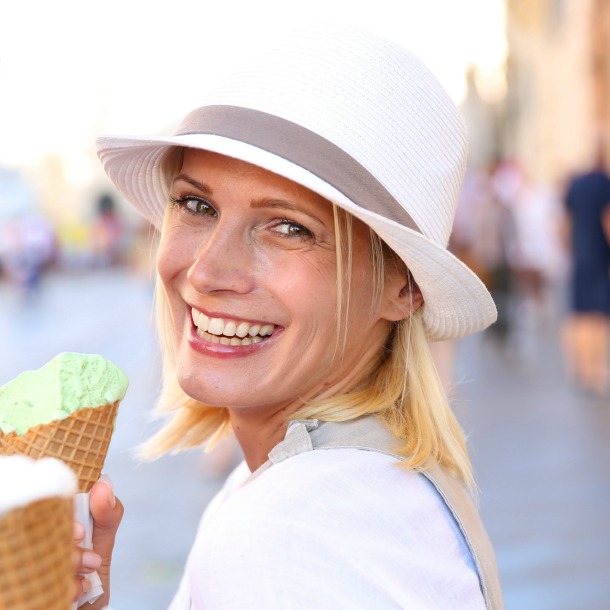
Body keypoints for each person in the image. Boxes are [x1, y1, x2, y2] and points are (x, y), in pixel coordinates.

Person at [75, 24, 502, 609]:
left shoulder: (289, 532)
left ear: (402, 286)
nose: (206, 271)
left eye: (288, 226)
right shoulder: (343, 489)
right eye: (197, 205)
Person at [562, 145, 610, 395]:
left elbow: (565, 223)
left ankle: (580, 368)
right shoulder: (605, 184)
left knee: (579, 314)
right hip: (600, 258)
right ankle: (597, 370)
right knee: (599, 316)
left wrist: (571, 249)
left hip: (580, 256)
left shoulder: (576, 184)